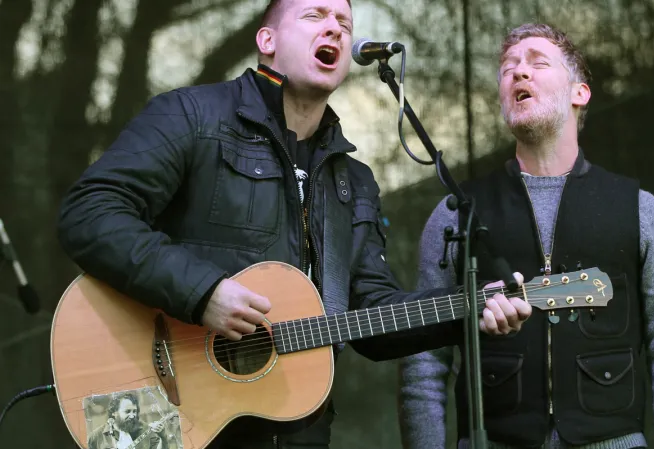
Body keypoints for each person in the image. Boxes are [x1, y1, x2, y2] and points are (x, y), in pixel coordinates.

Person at [56, 1, 532, 448]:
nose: (335, 29)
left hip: (301, 431)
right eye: (314, 15)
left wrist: (468, 311)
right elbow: (89, 213)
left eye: (344, 24)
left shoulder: (354, 181)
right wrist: (202, 293)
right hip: (172, 411)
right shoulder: (192, 116)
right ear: (267, 40)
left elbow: (373, 315)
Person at [397, 23, 654, 449]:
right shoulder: (455, 214)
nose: (519, 73)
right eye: (508, 68)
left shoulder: (641, 210)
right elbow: (423, 366)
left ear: (580, 92)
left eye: (537, 63)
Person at [87, 393, 168, 449]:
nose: (132, 416)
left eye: (134, 411)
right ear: (114, 412)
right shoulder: (95, 437)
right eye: (127, 411)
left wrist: (163, 437)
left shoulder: (145, 429)